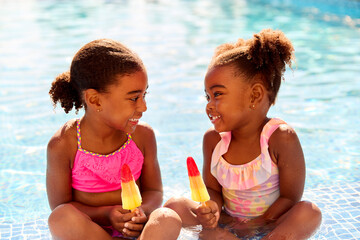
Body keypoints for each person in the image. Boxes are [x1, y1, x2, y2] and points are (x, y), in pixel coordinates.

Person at [164, 29, 322, 239]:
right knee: (174, 205)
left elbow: (290, 198)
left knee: (309, 212)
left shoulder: (280, 138)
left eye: (217, 94)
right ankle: (220, 235)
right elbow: (212, 189)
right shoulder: (213, 140)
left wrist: (258, 224)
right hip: (228, 220)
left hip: (269, 222)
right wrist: (212, 209)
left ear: (254, 95)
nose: (209, 105)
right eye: (207, 97)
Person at [46, 39, 181, 240]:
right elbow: (61, 206)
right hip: (93, 234)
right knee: (60, 218)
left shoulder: (142, 136)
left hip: (139, 232)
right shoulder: (64, 144)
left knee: (168, 216)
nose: (143, 106)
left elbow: (153, 190)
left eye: (145, 95)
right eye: (134, 98)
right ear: (95, 100)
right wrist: (107, 214)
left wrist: (142, 212)